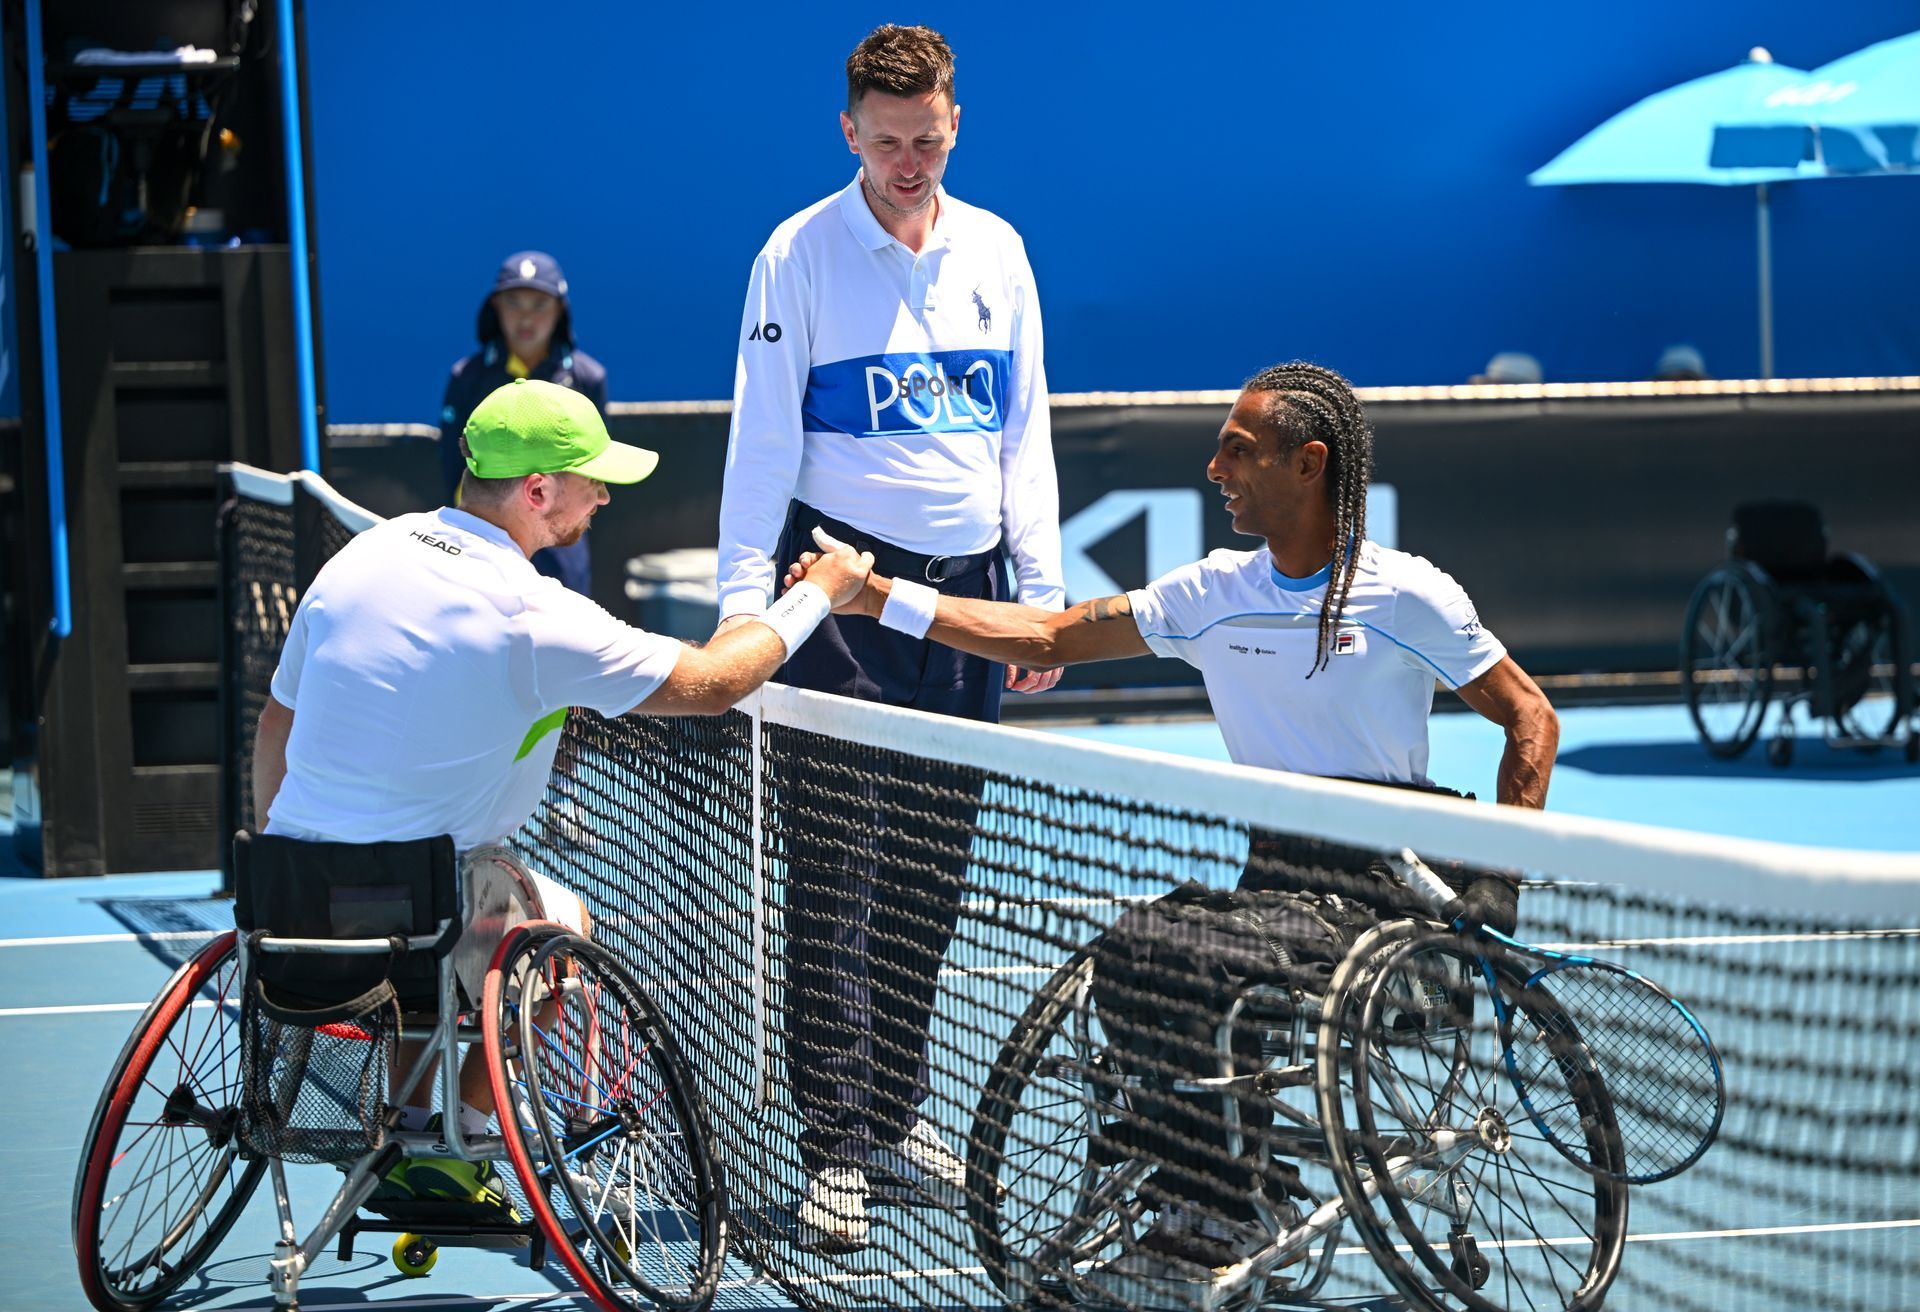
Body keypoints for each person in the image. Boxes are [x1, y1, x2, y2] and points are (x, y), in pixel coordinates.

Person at [787, 360, 1558, 1291]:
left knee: (1179, 957)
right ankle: (1214, 1183)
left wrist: (1500, 874)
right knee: (1136, 948)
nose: (1214, 466)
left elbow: (1529, 715)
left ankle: (1227, 1207)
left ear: (1308, 463)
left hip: (1385, 890)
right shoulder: (1213, 594)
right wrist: (877, 601)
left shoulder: (1407, 595)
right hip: (1278, 878)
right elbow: (1049, 635)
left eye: (1239, 449)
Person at [253, 378, 873, 1207]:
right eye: (592, 478)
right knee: (557, 920)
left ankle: (401, 1125)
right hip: (424, 916)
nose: (606, 494)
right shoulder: (535, 615)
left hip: (288, 904)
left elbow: (274, 727)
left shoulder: (358, 556)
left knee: (440, 906)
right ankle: (464, 1140)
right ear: (538, 491)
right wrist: (817, 594)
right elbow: (719, 682)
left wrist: (289, 861)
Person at [712, 23, 1065, 1250]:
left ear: (954, 125)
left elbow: (1025, 436)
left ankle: (902, 1105)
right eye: (887, 140)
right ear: (848, 131)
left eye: (928, 139)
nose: (909, 160)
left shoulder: (1001, 251)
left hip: (964, 611)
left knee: (931, 872)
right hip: (834, 605)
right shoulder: (796, 256)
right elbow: (760, 444)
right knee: (839, 876)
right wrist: (739, 614)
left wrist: (1041, 596)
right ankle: (835, 1146)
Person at [440, 251, 608, 596]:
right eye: (514, 303)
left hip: (560, 540)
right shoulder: (466, 378)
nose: (526, 318)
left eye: (539, 304)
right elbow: (452, 461)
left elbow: (595, 463)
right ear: (496, 309)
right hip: (483, 533)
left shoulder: (588, 376)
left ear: (560, 310)